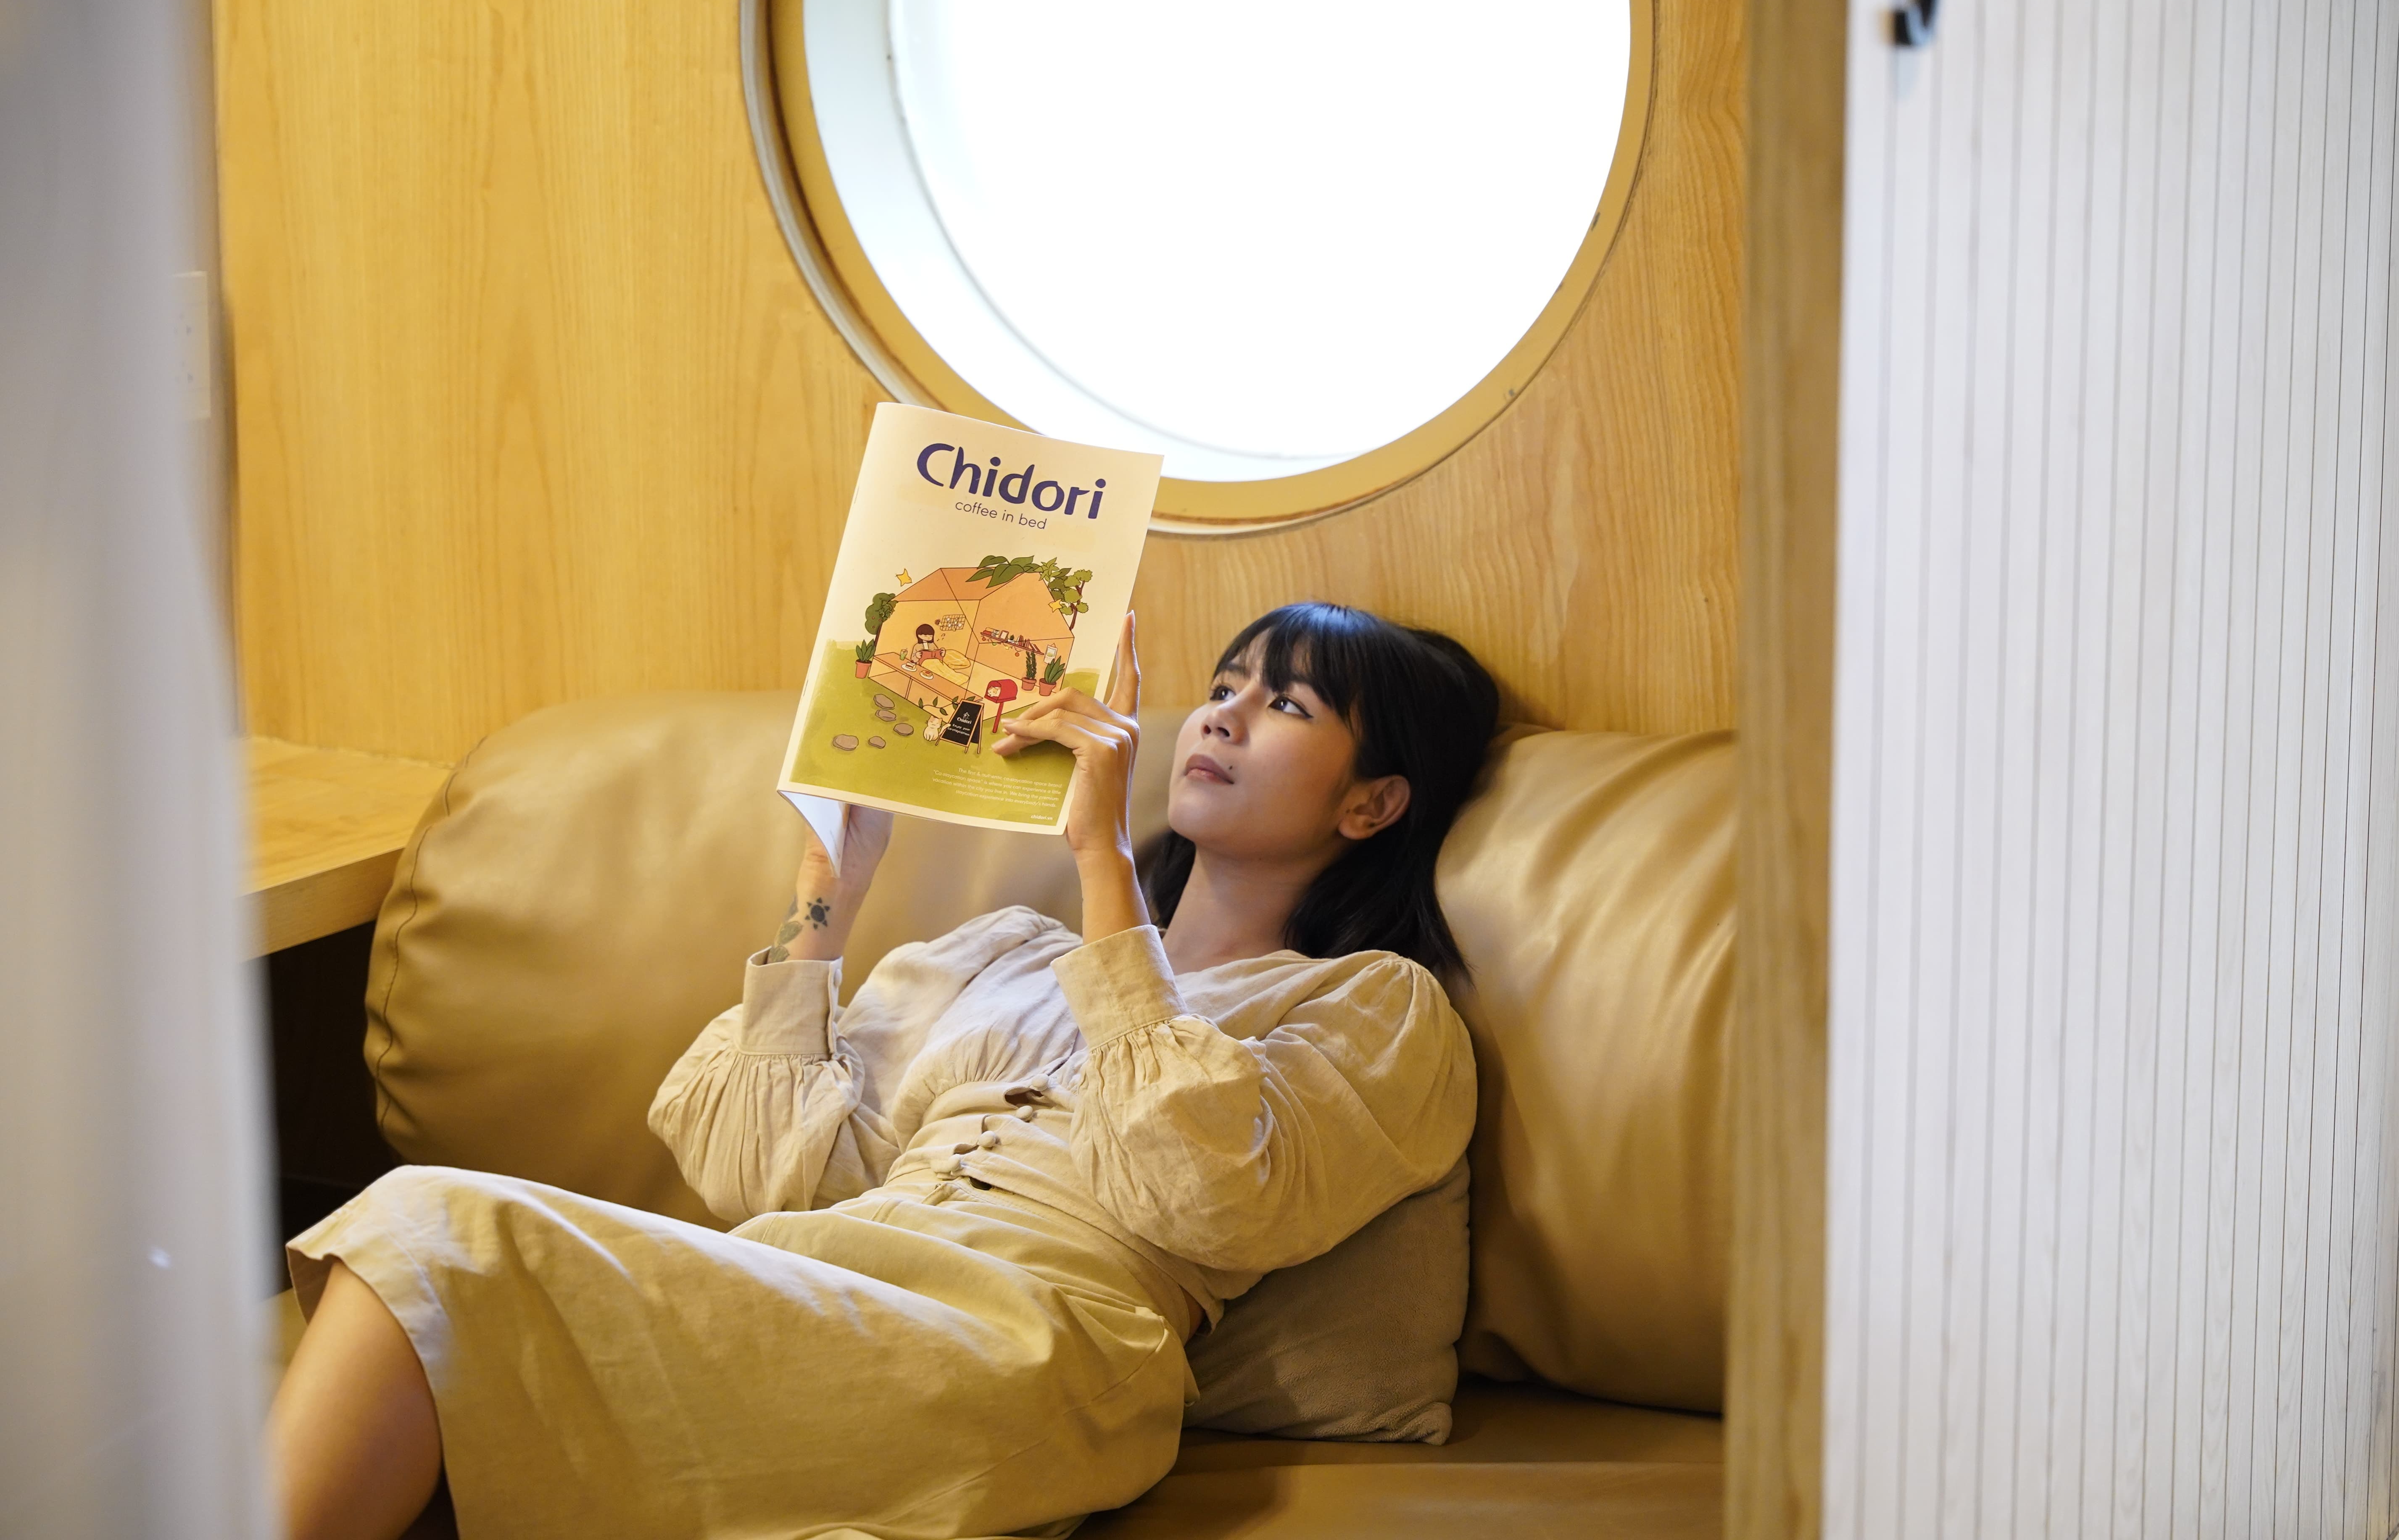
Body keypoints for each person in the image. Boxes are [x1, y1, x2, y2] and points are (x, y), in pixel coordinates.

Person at [269, 603, 1500, 1540]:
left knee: (424, 1229)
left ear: (1373, 805)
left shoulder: (1375, 1007)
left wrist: (1102, 862)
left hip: (1035, 1347)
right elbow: (760, 1177)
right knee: (420, 1302)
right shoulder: (1009, 956)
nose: (1221, 716)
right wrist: (830, 891)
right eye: (1224, 687)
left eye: (1287, 706)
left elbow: (1208, 1198)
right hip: (832, 1282)